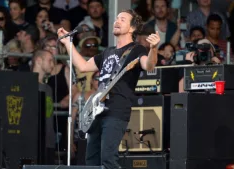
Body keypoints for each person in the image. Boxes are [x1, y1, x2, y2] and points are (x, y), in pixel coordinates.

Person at [57, 9, 160, 169]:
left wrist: (153, 49)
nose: (117, 21)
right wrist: (68, 44)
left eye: (122, 19)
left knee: (108, 159)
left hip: (116, 110)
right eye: (116, 18)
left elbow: (149, 65)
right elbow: (83, 66)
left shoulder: (136, 50)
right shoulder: (107, 52)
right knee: (91, 160)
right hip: (97, 111)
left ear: (132, 28)